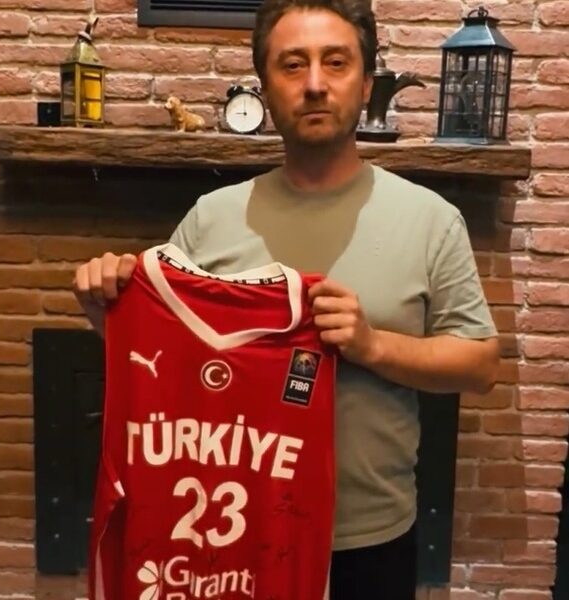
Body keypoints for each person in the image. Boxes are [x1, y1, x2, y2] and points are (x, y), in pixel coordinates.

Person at [73, 0, 500, 598]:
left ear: (366, 83)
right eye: (293, 65)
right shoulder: (211, 218)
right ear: (267, 90)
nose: (316, 84)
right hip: (232, 537)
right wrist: (111, 314)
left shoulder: (431, 220)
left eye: (336, 62)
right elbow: (172, 359)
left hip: (368, 543)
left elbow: (480, 365)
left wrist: (372, 346)